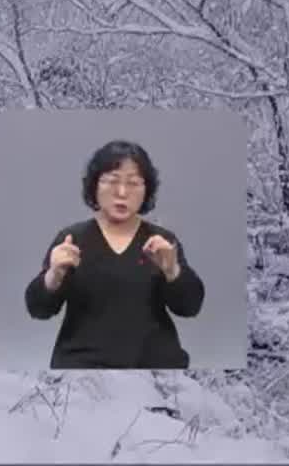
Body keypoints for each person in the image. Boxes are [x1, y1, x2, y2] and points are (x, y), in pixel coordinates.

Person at [24, 139, 205, 368]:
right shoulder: (71, 239)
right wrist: (53, 276)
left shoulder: (161, 242)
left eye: (133, 183)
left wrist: (172, 270)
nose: (122, 192)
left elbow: (190, 307)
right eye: (111, 182)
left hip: (154, 368)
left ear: (147, 189)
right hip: (83, 368)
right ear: (94, 186)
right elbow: (38, 309)